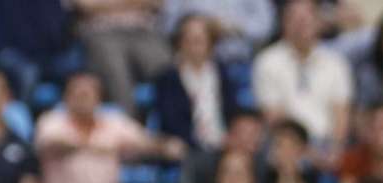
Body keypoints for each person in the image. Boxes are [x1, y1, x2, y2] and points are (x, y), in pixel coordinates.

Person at [35, 70, 185, 183]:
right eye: (77, 94)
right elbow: (50, 144)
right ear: (66, 98)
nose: (82, 99)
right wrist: (94, 147)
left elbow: (147, 141)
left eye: (87, 94)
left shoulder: (114, 123)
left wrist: (165, 146)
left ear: (99, 98)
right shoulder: (52, 121)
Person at [253, 0, 354, 148]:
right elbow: (273, 117)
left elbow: (341, 115)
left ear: (319, 22)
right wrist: (304, 151)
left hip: (327, 144)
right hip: (287, 147)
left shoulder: (336, 63)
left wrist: (335, 149)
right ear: (284, 23)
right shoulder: (267, 61)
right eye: (295, 19)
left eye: (307, 18)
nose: (302, 25)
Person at [154, 13, 242, 153]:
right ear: (180, 43)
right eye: (188, 39)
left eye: (199, 39)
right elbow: (169, 120)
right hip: (188, 147)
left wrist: (230, 137)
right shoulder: (168, 78)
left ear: (210, 43)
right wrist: (196, 143)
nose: (194, 45)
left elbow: (233, 110)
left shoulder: (221, 72)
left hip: (224, 144)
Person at [72, 0, 172, 113]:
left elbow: (157, 2)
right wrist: (132, 4)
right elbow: (85, 5)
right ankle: (128, 125)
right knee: (117, 74)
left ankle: (175, 125)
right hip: (101, 33)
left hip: (144, 32)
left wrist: (105, 5)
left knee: (169, 69)